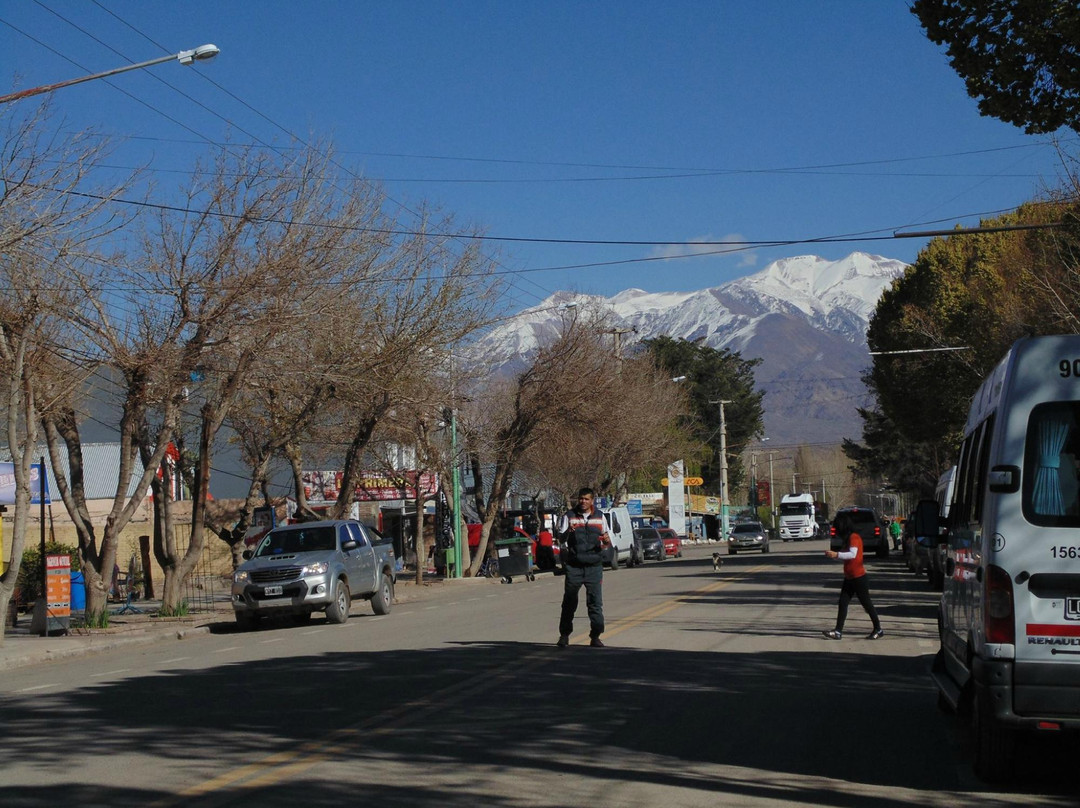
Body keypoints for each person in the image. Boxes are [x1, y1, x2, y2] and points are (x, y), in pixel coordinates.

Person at [555, 487, 610, 648]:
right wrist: (569, 533)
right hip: (574, 567)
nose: (583, 501)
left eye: (586, 499)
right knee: (569, 602)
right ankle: (564, 635)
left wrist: (606, 541)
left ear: (592, 500)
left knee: (595, 603)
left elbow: (606, 542)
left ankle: (596, 635)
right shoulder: (569, 517)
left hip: (594, 566)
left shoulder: (600, 517)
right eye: (581, 498)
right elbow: (561, 539)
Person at [822, 512, 883, 640]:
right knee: (843, 603)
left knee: (867, 604)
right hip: (850, 577)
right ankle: (838, 631)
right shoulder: (849, 538)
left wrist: (836, 555)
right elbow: (847, 557)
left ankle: (878, 628)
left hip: (858, 577)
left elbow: (852, 554)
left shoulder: (854, 537)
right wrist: (834, 555)